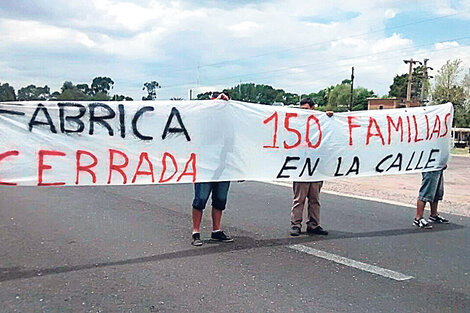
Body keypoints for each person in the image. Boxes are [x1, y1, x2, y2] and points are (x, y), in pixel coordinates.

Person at [191, 92, 234, 246]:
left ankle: (216, 230)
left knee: (220, 200)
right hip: (205, 166)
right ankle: (196, 232)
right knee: (200, 199)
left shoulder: (230, 124)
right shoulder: (204, 120)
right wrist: (215, 103)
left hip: (223, 167)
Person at [290, 98, 332, 236]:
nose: (304, 112)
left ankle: (313, 224)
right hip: (301, 167)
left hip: (316, 167)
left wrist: (329, 117)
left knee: (315, 198)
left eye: (306, 109)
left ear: (313, 109)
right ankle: (296, 224)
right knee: (299, 198)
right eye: (301, 109)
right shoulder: (297, 123)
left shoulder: (320, 122)